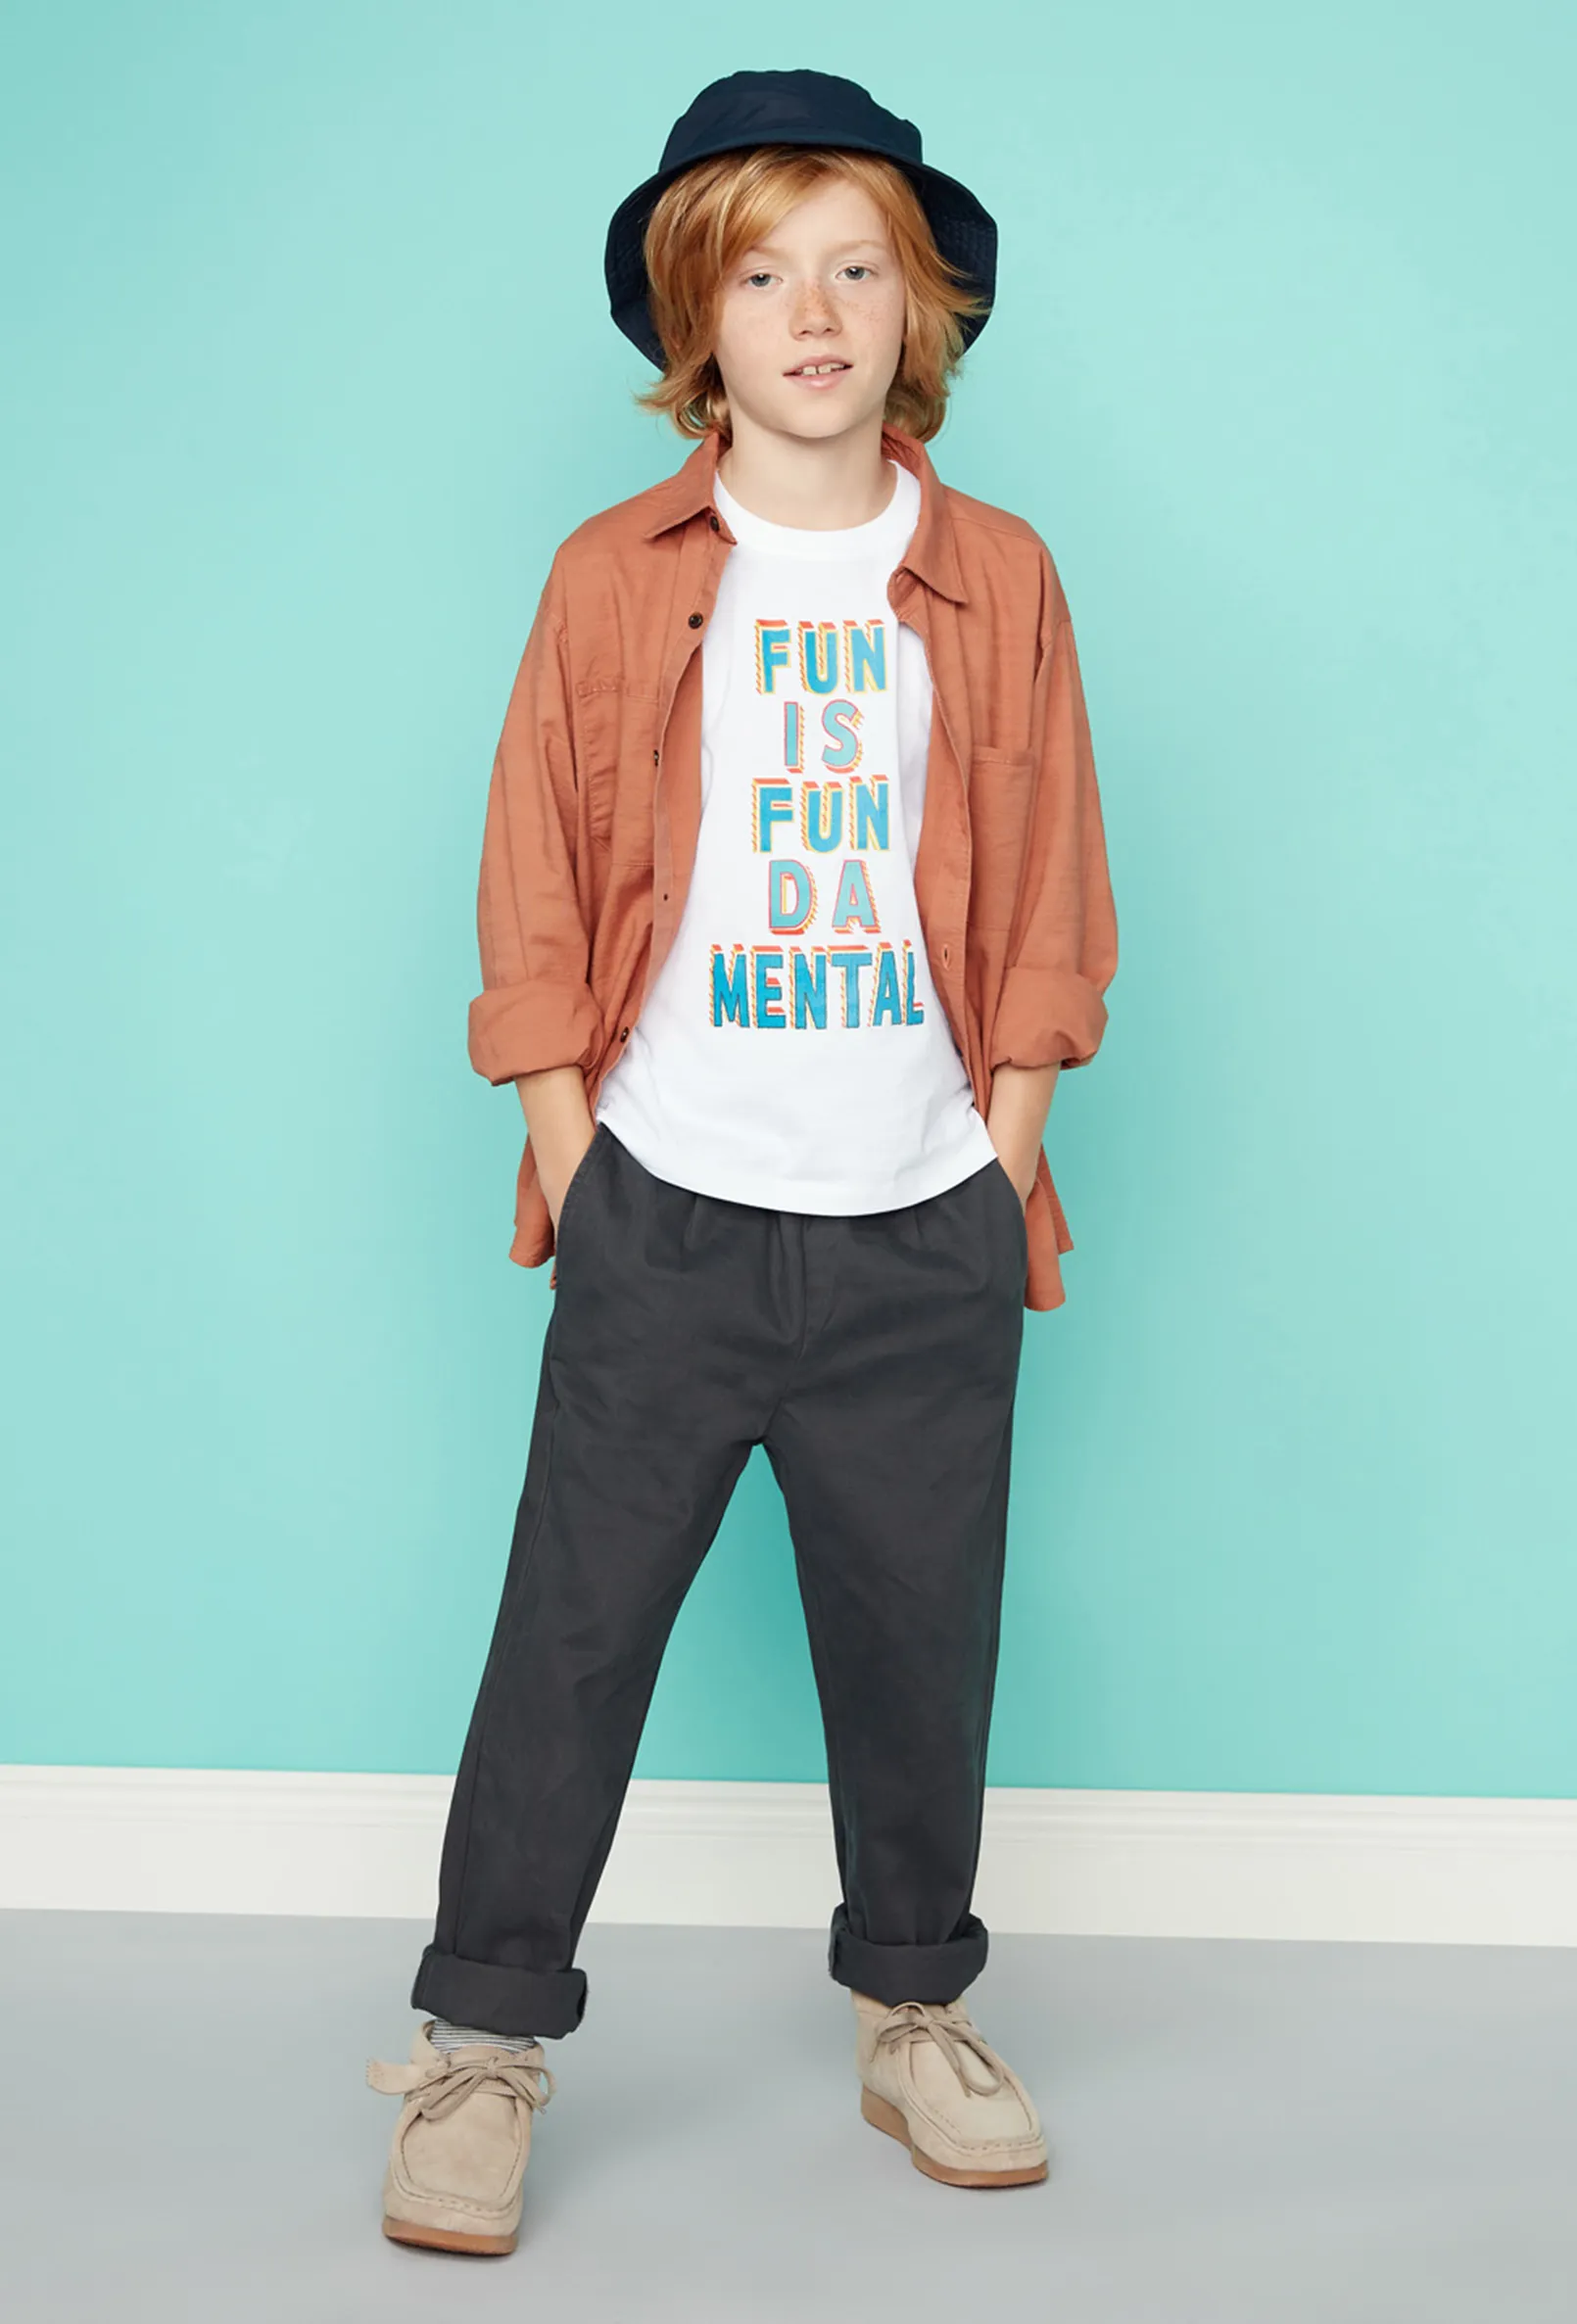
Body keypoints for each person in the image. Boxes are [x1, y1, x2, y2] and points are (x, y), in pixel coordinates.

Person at [366, 68, 1119, 2254]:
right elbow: (534, 876)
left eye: (856, 268)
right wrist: (578, 1154)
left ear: (920, 307)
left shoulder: (999, 577)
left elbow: (1050, 881)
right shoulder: (613, 578)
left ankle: (915, 2010)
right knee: (570, 1639)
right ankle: (481, 2041)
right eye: (764, 272)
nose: (814, 312)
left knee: (918, 1643)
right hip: (672, 1211)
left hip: (918, 1215)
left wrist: (998, 1155)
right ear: (696, 320)